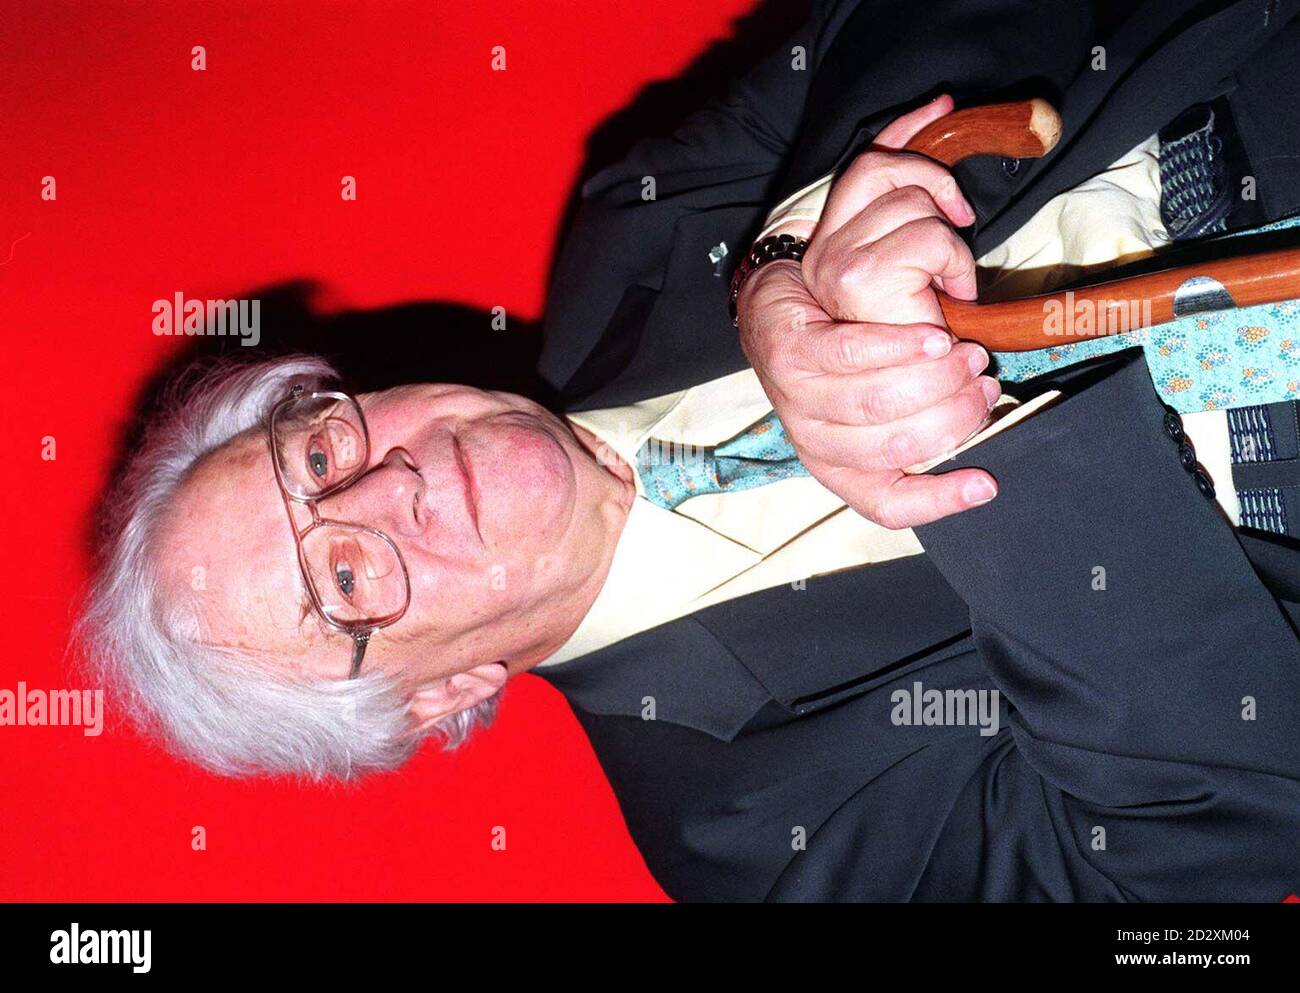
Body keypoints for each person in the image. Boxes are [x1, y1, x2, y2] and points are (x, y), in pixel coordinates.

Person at [80, 0, 1300, 900]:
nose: (386, 486)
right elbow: (1199, 847)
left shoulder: (627, 228)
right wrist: (988, 455)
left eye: (314, 457)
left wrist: (789, 251)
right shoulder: (746, 840)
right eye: (342, 579)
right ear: (441, 695)